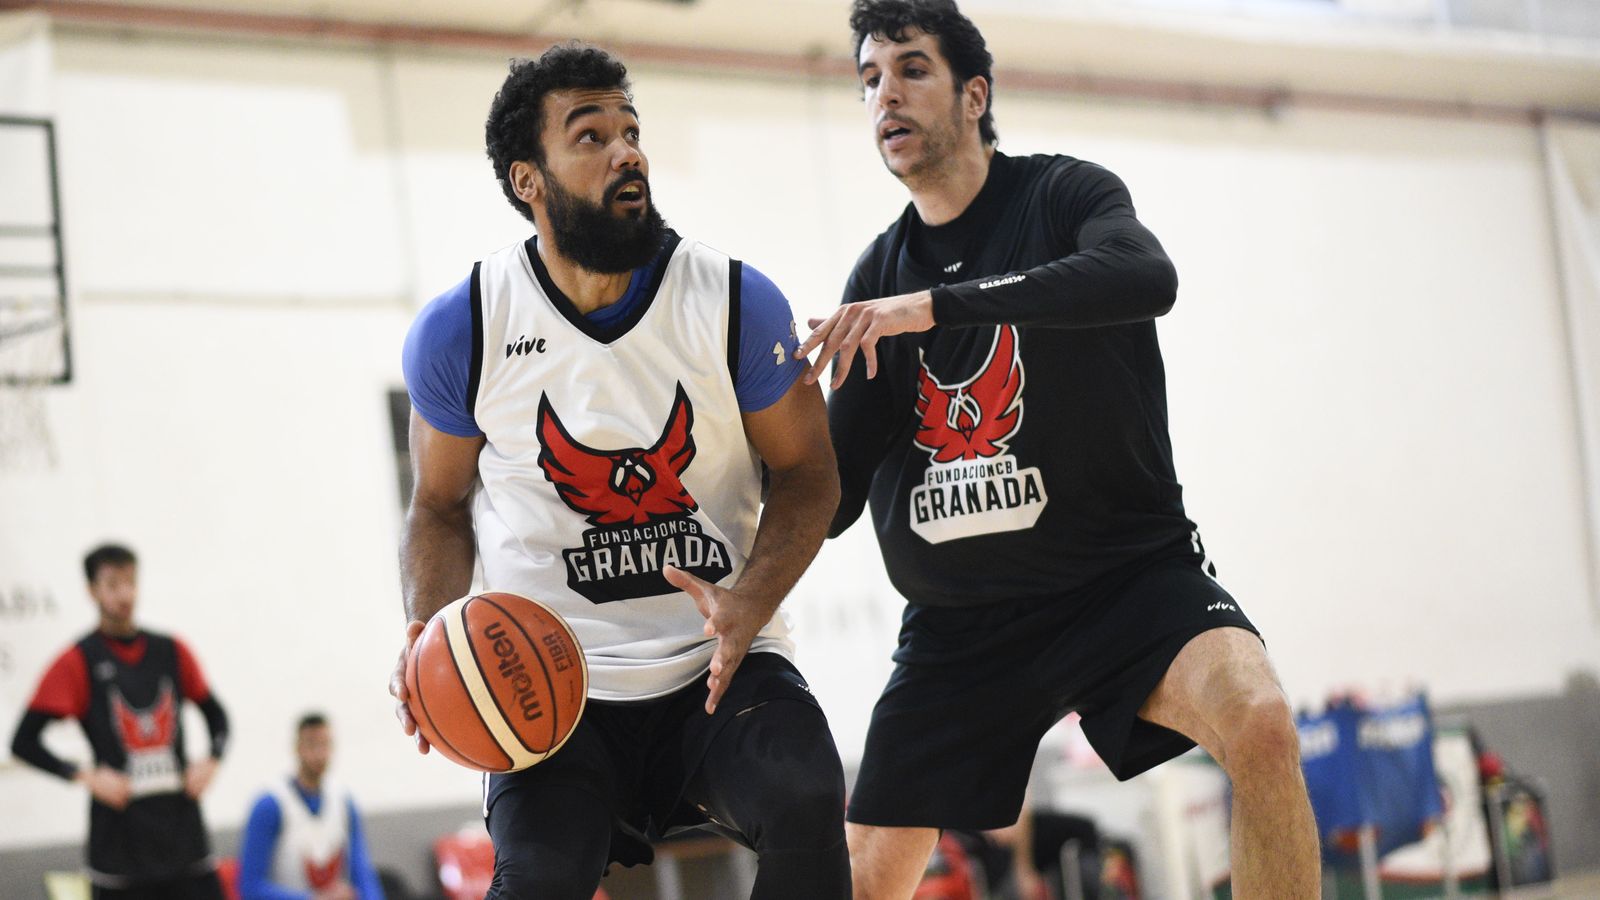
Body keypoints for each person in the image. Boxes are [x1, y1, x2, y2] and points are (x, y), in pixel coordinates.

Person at [796, 2, 1321, 897]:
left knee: (1262, 719)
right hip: (962, 625)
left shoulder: (1065, 195)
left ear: (974, 95)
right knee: (864, 871)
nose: (885, 94)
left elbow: (1144, 277)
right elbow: (832, 497)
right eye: (869, 80)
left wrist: (938, 308)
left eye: (911, 69)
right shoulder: (877, 278)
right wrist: (757, 441)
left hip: (1123, 584)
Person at [390, 42, 849, 900]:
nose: (626, 150)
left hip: (717, 662)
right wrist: (427, 634)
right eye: (590, 135)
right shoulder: (468, 327)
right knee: (539, 876)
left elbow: (809, 472)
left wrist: (750, 599)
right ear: (530, 179)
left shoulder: (733, 302)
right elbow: (439, 507)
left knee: (807, 795)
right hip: (550, 681)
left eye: (630, 130)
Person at [8, 543, 230, 899]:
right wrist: (84, 775)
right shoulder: (78, 660)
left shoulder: (170, 650)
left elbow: (217, 716)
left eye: (130, 582)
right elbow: (23, 741)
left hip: (183, 839)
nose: (124, 594)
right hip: (121, 849)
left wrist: (212, 760)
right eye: (112, 584)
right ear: (92, 590)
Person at [236, 713, 384, 900]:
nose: (319, 754)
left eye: (325, 745)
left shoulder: (343, 802)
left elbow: (362, 874)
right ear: (297, 748)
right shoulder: (270, 805)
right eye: (312, 745)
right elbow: (250, 887)